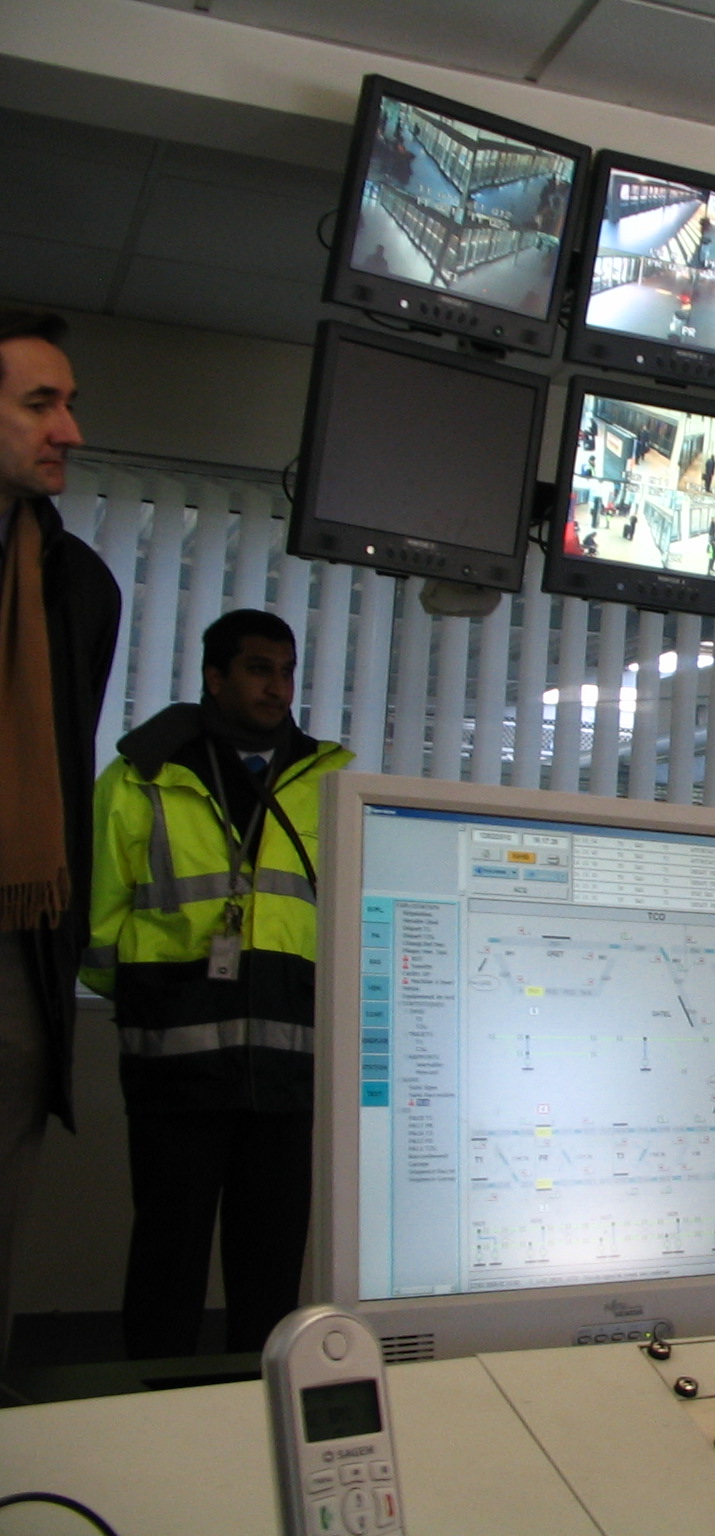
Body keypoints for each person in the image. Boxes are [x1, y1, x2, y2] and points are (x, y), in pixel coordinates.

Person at [84, 610, 352, 1359]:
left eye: (287, 671)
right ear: (214, 676)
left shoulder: (330, 780)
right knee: (167, 1256)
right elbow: (98, 926)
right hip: (177, 1066)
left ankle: (257, 1410)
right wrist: (158, 1001)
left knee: (270, 1267)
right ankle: (152, 1406)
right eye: (260, 669)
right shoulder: (141, 775)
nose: (278, 687)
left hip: (290, 1068)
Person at [0, 309, 120, 1366]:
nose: (69, 430)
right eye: (40, 404)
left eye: (69, 403)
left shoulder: (81, 587)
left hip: (18, 945)